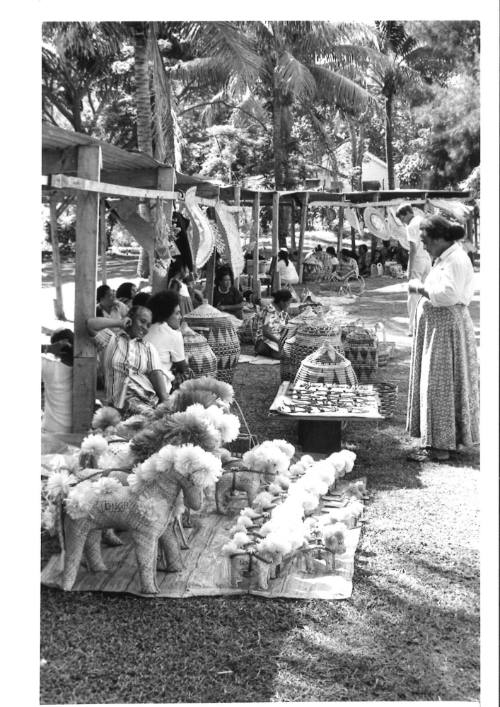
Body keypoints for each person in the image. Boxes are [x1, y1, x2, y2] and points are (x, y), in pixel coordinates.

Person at [406, 215, 479, 462]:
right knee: (436, 384)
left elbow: (448, 295)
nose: (423, 246)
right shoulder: (444, 258)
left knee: (440, 386)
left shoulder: (456, 260)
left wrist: (419, 288)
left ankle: (441, 446)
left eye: (426, 241)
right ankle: (438, 441)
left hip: (446, 328)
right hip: (439, 327)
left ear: (439, 238)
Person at [86, 305, 169, 415]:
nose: (145, 327)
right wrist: (119, 322)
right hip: (117, 409)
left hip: (145, 406)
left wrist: (166, 404)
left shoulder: (148, 348)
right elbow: (90, 324)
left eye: (148, 325)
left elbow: (156, 374)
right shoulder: (110, 340)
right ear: (130, 318)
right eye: (142, 321)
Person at [144, 290, 192, 392]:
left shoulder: (145, 329)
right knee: (188, 371)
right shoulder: (174, 335)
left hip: (141, 382)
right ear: (165, 315)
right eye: (177, 313)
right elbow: (182, 367)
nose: (181, 317)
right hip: (160, 387)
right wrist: (188, 357)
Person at [396, 205, 432, 335]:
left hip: (418, 260)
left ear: (406, 214)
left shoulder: (411, 226)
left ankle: (413, 328)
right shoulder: (423, 220)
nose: (402, 222)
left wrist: (409, 269)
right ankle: (427, 326)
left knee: (413, 296)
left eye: (401, 218)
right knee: (427, 294)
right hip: (428, 258)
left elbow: (412, 249)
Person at [41, 329, 74, 433]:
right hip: (75, 430)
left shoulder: (48, 367)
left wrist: (48, 348)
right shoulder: (85, 369)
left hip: (51, 429)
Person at [254, 288, 293, 359]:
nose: (289, 305)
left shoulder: (283, 312)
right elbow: (265, 332)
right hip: (264, 342)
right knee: (284, 355)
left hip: (277, 340)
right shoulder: (269, 310)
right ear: (281, 302)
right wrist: (278, 342)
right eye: (288, 303)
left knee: (291, 352)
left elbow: (291, 324)